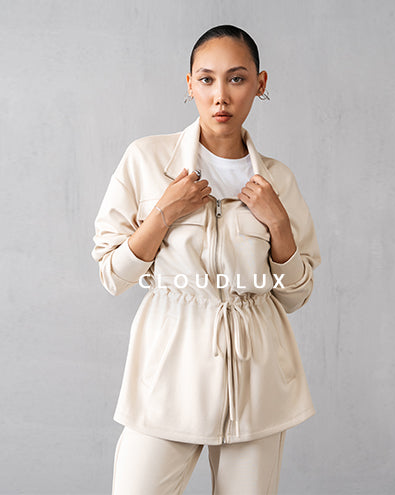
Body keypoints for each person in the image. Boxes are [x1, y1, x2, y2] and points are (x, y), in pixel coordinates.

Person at [91, 24, 321, 495]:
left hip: (257, 379)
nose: (221, 96)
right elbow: (112, 274)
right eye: (207, 79)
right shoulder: (147, 160)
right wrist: (164, 213)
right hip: (168, 370)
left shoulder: (277, 179)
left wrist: (278, 223)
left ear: (260, 84)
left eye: (237, 79)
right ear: (189, 84)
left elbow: (296, 295)